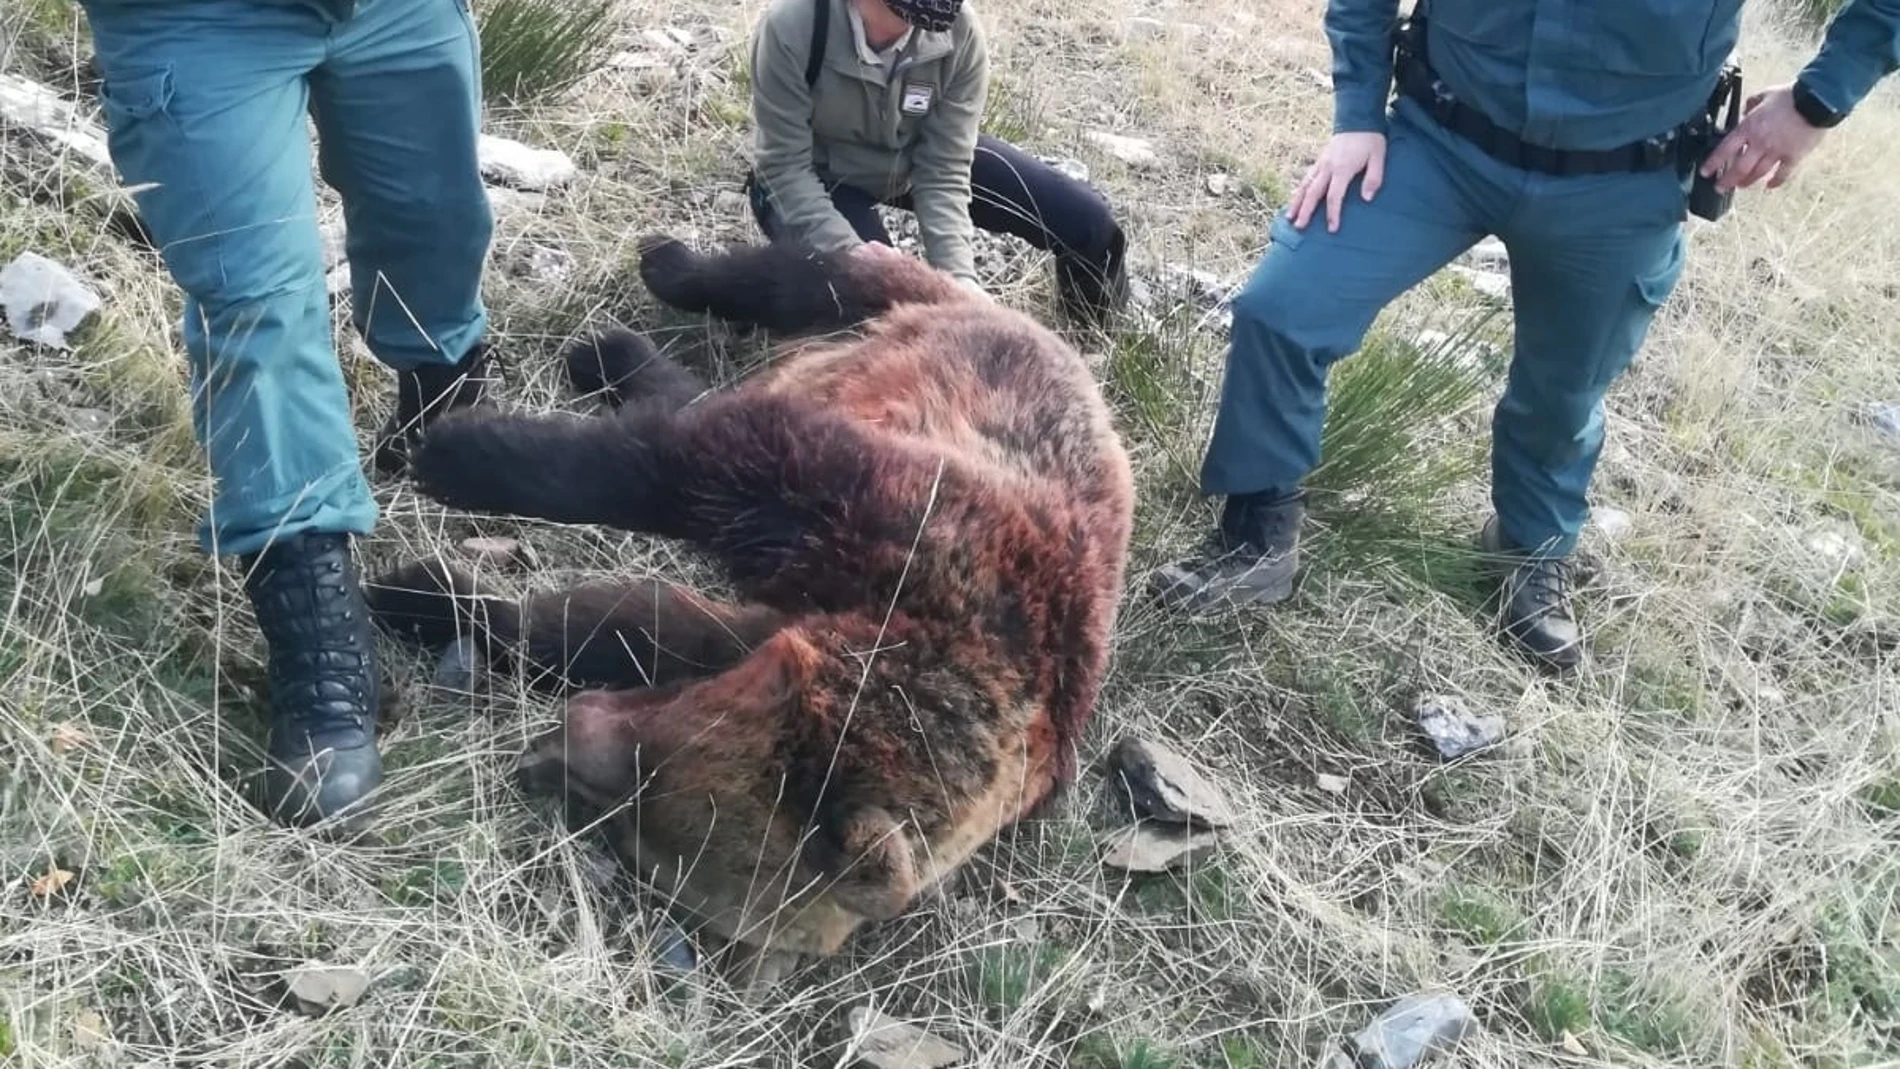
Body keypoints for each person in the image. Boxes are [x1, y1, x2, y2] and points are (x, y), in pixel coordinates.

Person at [1153, 0, 1900, 671]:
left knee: (1561, 394)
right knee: (1283, 308)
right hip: (1439, 140)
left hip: (1622, 179)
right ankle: (1257, 536)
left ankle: (1528, 548)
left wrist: (1815, 104)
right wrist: (1357, 116)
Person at [81, 0, 500, 827]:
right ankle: (322, 655)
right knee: (258, 311)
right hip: (198, 21)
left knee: (437, 223)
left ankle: (440, 412)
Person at [744, 0, 1130, 326]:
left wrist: (959, 281)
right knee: (877, 307)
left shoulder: (959, 33)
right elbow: (784, 168)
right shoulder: (794, 26)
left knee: (1088, 223)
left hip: (912, 161)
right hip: (817, 177)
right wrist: (850, 252)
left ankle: (1091, 343)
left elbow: (944, 169)